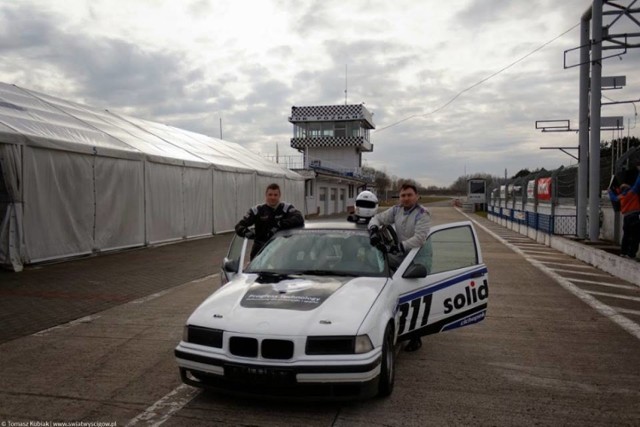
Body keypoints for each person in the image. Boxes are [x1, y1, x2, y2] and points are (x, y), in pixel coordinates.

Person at [368, 183, 431, 352]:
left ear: (417, 196)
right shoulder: (396, 210)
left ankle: (415, 336)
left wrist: (398, 247)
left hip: (419, 258)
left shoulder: (422, 214)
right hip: (402, 255)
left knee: (413, 295)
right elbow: (377, 218)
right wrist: (373, 229)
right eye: (403, 195)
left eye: (409, 195)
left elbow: (419, 238)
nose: (406, 198)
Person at [235, 183, 304, 260]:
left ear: (279, 196)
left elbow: (299, 218)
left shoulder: (286, 208)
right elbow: (239, 226)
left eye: (275, 195)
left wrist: (281, 224)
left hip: (282, 249)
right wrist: (246, 232)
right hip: (260, 251)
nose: (272, 197)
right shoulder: (257, 210)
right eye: (270, 195)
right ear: (266, 195)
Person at [608, 165, 640, 260]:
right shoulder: (632, 193)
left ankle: (623, 252)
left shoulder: (621, 197)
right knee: (635, 237)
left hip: (626, 218)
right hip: (635, 217)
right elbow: (638, 184)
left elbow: (613, 197)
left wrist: (610, 191)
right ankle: (631, 254)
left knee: (626, 236)